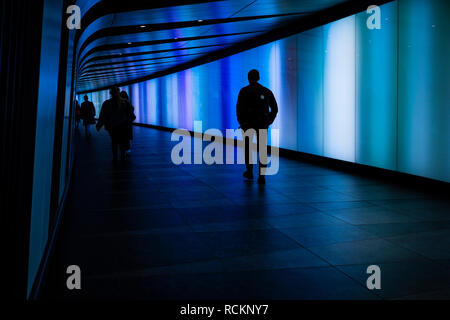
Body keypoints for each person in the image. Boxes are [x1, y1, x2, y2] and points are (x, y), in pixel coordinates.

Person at [236, 69, 278, 184]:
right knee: (263, 149)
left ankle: (249, 171)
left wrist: (242, 122)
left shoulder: (244, 91)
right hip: (262, 124)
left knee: (248, 148)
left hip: (248, 124)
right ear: (259, 77)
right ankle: (262, 175)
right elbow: (274, 108)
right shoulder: (266, 91)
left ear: (248, 78)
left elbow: (239, 109)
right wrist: (269, 120)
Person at [96, 86, 136, 165]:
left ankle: (115, 158)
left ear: (110, 93)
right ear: (118, 92)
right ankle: (122, 157)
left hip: (112, 127)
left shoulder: (107, 103)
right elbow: (132, 115)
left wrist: (99, 125)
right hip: (123, 126)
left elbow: (103, 115)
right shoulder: (125, 102)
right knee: (122, 142)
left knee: (114, 142)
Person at [119, 90, 135, 155]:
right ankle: (127, 148)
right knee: (127, 135)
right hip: (128, 122)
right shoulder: (127, 102)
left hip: (121, 122)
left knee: (122, 135)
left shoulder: (120, 102)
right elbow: (132, 109)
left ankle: (124, 148)